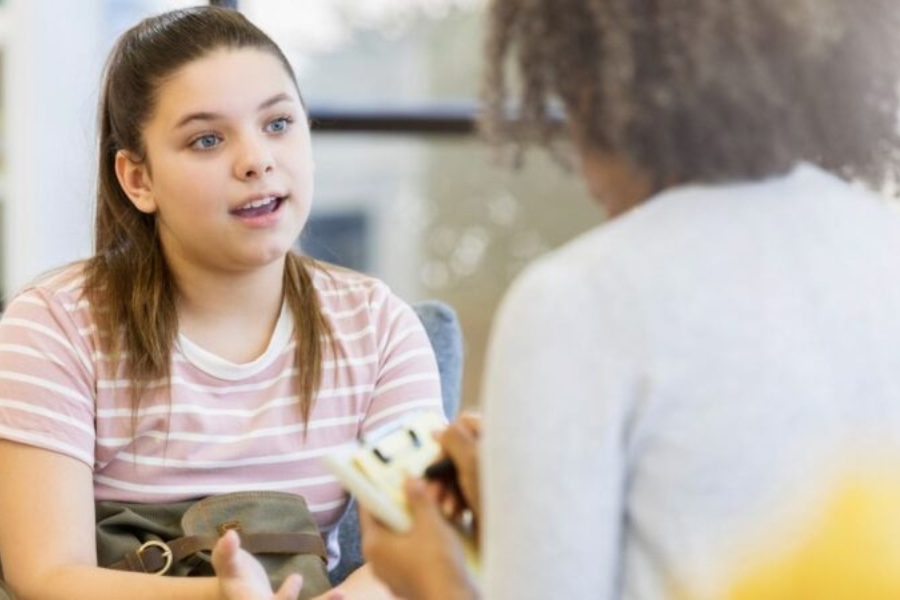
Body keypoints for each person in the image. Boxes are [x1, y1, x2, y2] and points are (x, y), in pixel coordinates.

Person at [360, 1, 900, 599]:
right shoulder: (883, 242)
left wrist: (431, 576)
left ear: (596, 81)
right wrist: (524, 514)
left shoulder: (577, 300)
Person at [0, 6, 444, 600]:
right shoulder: (53, 324)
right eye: (207, 139)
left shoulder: (381, 327)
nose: (256, 159)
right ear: (138, 180)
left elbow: (422, 556)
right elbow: (45, 574)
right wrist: (220, 596)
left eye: (279, 123)